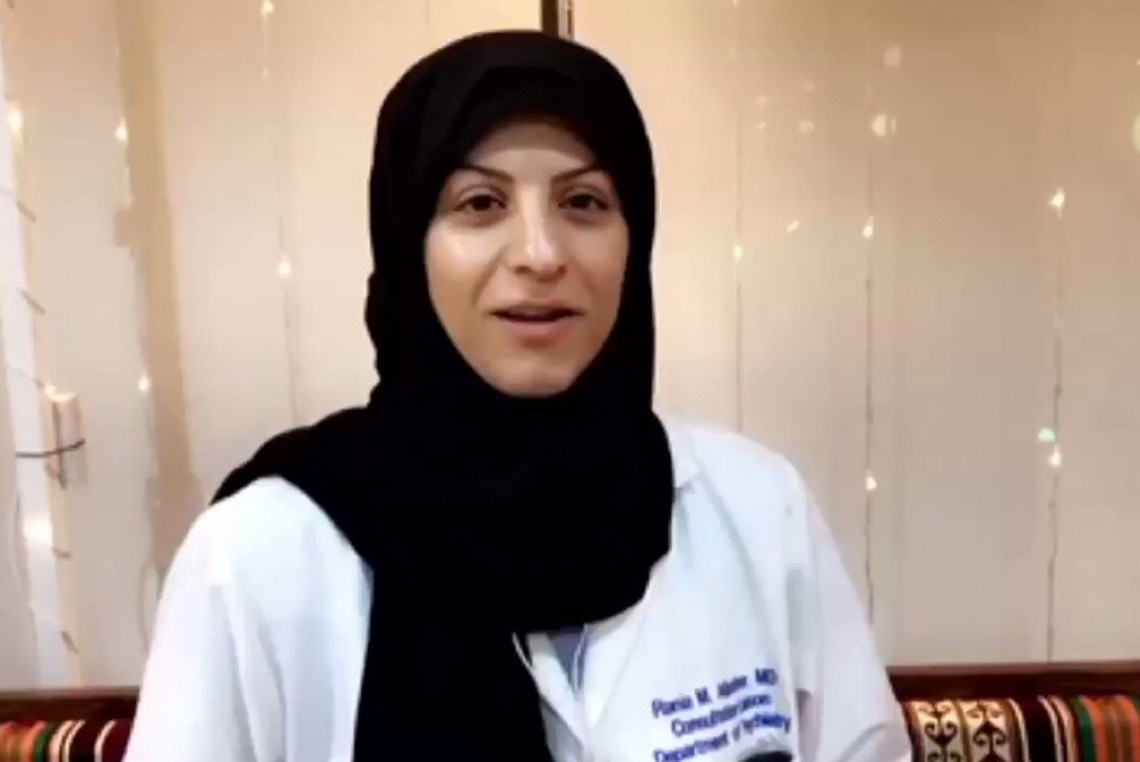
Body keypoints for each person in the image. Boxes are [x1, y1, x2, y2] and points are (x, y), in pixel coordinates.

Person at [123, 30, 911, 762]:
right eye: (480, 204)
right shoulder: (259, 559)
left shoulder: (758, 512)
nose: (540, 253)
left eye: (584, 202)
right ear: (407, 242)